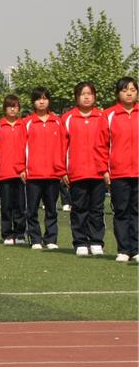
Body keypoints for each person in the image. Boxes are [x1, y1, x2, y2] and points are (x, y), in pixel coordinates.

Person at [62, 81, 109, 257]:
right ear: (76, 97)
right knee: (79, 208)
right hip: (77, 171)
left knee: (97, 209)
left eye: (89, 94)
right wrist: (63, 170)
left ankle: (96, 241)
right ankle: (80, 241)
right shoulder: (67, 118)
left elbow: (108, 144)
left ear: (95, 96)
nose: (86, 97)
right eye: (83, 94)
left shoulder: (103, 116)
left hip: (98, 171)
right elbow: (61, 146)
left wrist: (107, 169)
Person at [23, 88, 65, 251]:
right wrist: (22, 168)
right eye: (38, 99)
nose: (41, 102)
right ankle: (35, 238)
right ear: (33, 102)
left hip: (53, 173)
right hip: (33, 173)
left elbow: (63, 146)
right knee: (32, 209)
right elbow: (21, 147)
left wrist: (61, 169)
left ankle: (51, 238)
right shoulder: (26, 123)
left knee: (51, 209)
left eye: (45, 98)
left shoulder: (58, 122)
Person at [106, 76, 138, 262]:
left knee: (137, 211)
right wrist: (105, 170)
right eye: (125, 90)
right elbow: (101, 145)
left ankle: (137, 248)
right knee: (121, 211)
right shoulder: (109, 115)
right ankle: (124, 249)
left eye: (133, 90)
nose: (129, 93)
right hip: (118, 172)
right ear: (118, 93)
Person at [0, 95, 28, 245]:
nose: (13, 109)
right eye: (10, 106)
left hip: (21, 173)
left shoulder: (24, 125)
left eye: (15, 106)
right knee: (6, 205)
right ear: (4, 109)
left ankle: (20, 234)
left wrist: (26, 168)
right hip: (4, 172)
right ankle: (7, 234)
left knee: (20, 205)